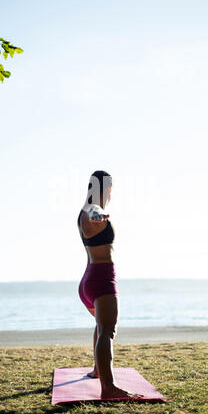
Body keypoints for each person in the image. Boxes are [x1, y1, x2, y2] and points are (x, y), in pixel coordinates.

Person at [77, 170, 143, 399]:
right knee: (108, 331)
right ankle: (109, 387)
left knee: (101, 325)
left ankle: (98, 370)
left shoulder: (83, 211)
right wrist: (99, 217)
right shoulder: (93, 210)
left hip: (88, 279)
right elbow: (94, 215)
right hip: (102, 279)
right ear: (108, 189)